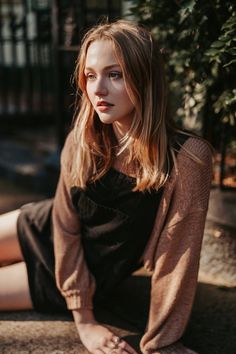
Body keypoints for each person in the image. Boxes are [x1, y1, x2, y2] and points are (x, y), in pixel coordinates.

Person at [0, 20, 213, 354]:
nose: (98, 89)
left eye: (115, 75)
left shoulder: (188, 158)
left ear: (144, 77)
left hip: (86, 271)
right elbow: (64, 224)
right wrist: (86, 323)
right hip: (44, 228)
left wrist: (161, 342)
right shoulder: (81, 140)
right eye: (90, 75)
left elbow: (177, 259)